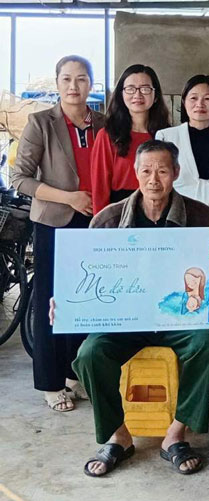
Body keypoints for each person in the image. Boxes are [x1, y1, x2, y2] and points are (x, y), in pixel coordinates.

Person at [69, 139, 209, 477]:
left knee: (208, 345)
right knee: (90, 353)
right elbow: (87, 277)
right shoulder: (108, 220)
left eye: (162, 171)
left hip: (179, 318)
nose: (154, 179)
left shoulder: (202, 216)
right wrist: (67, 302)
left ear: (176, 173)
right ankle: (119, 436)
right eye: (146, 171)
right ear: (135, 173)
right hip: (126, 319)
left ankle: (175, 434)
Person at [11, 55, 105, 412]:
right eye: (66, 79)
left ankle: (73, 375)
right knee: (51, 303)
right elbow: (20, 179)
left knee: (86, 300)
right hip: (55, 222)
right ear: (57, 82)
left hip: (94, 223)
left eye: (81, 79)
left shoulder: (104, 123)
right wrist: (70, 197)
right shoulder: (41, 123)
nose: (73, 86)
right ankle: (50, 383)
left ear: (90, 84)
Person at [90, 64, 170, 215]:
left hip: (162, 211)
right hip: (120, 212)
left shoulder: (167, 135)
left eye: (145, 89)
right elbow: (99, 187)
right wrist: (101, 226)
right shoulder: (107, 135)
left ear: (156, 95)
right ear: (121, 94)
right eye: (130, 89)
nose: (137, 95)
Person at [156, 74, 209, 227]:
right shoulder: (166, 136)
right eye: (193, 98)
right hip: (177, 222)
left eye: (208, 99)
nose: (200, 104)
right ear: (184, 102)